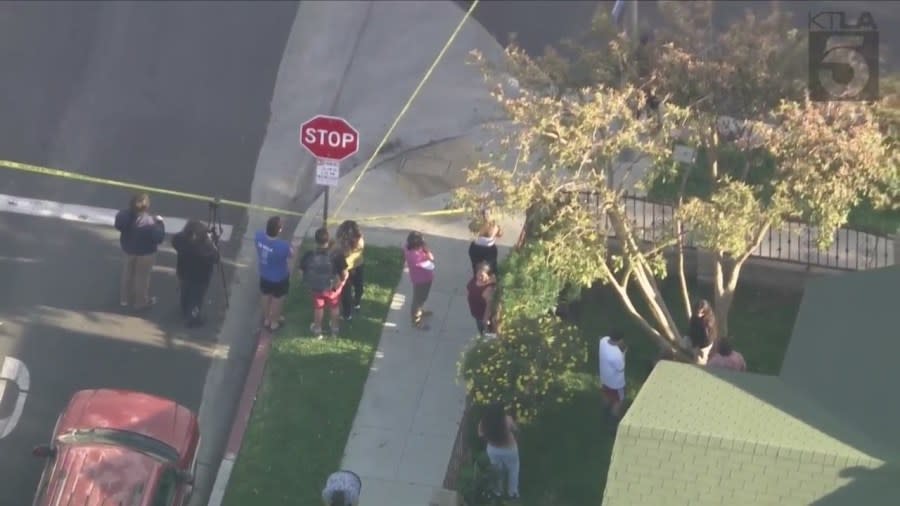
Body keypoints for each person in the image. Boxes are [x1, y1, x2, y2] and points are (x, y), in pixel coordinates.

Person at [114, 193, 165, 310]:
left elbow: (118, 226)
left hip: (128, 249)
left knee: (127, 273)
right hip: (145, 253)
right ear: (146, 207)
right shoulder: (151, 223)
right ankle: (140, 302)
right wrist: (160, 223)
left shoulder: (122, 215)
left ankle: (124, 299)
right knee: (142, 278)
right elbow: (159, 238)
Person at [300, 227, 348, 338]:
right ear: (328, 240)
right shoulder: (336, 255)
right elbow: (344, 273)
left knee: (318, 308)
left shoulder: (309, 255)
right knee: (334, 307)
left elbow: (301, 272)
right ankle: (334, 330)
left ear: (315, 240)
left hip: (316, 288)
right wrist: (341, 283)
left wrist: (307, 281)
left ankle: (317, 330)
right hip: (332, 288)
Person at [171, 220, 219, 327]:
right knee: (197, 298)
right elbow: (215, 258)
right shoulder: (204, 248)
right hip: (200, 277)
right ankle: (193, 318)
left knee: (185, 291)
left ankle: (184, 308)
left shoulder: (180, 241)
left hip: (184, 272)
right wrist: (213, 242)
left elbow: (175, 240)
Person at [254, 216, 293, 331]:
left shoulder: (258, 236)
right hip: (280, 278)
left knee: (265, 296)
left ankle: (266, 319)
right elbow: (291, 254)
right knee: (277, 299)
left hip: (264, 274)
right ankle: (274, 322)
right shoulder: (283, 246)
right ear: (279, 230)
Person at [478, 403, 520, 500]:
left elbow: (480, 434)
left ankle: (497, 492)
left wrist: (489, 439)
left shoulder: (484, 422)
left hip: (493, 450)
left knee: (497, 470)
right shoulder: (507, 420)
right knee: (513, 469)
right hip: (510, 449)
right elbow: (516, 430)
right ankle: (512, 493)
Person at [404, 231, 435, 330]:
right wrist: (427, 252)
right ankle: (416, 321)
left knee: (421, 298)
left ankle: (420, 311)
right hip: (422, 280)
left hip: (421, 278)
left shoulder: (408, 246)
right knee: (418, 300)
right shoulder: (415, 256)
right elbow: (430, 259)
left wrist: (424, 249)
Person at [336, 220, 365, 321]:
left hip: (345, 268)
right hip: (358, 265)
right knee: (359, 286)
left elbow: (342, 254)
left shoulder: (342, 243)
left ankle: (347, 314)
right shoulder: (360, 241)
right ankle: (357, 302)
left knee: (346, 291)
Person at [599, 331, 627, 425]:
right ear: (619, 340)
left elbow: (603, 338)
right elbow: (620, 368)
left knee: (606, 395)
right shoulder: (617, 355)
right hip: (616, 384)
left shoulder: (603, 341)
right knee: (618, 401)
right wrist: (624, 353)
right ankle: (612, 423)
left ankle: (603, 415)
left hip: (605, 379)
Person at [467, 261, 497, 335]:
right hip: (476, 313)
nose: (479, 277)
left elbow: (489, 306)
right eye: (478, 274)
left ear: (489, 275)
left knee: (486, 334)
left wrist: (485, 319)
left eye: (482, 275)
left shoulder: (488, 288)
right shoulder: (476, 279)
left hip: (482, 317)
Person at [688, 299, 718, 365]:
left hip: (705, 344)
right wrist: (694, 344)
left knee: (700, 361)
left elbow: (708, 338)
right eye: (697, 312)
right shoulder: (694, 318)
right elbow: (691, 330)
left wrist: (700, 348)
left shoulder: (708, 322)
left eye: (702, 313)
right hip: (696, 341)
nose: (699, 314)